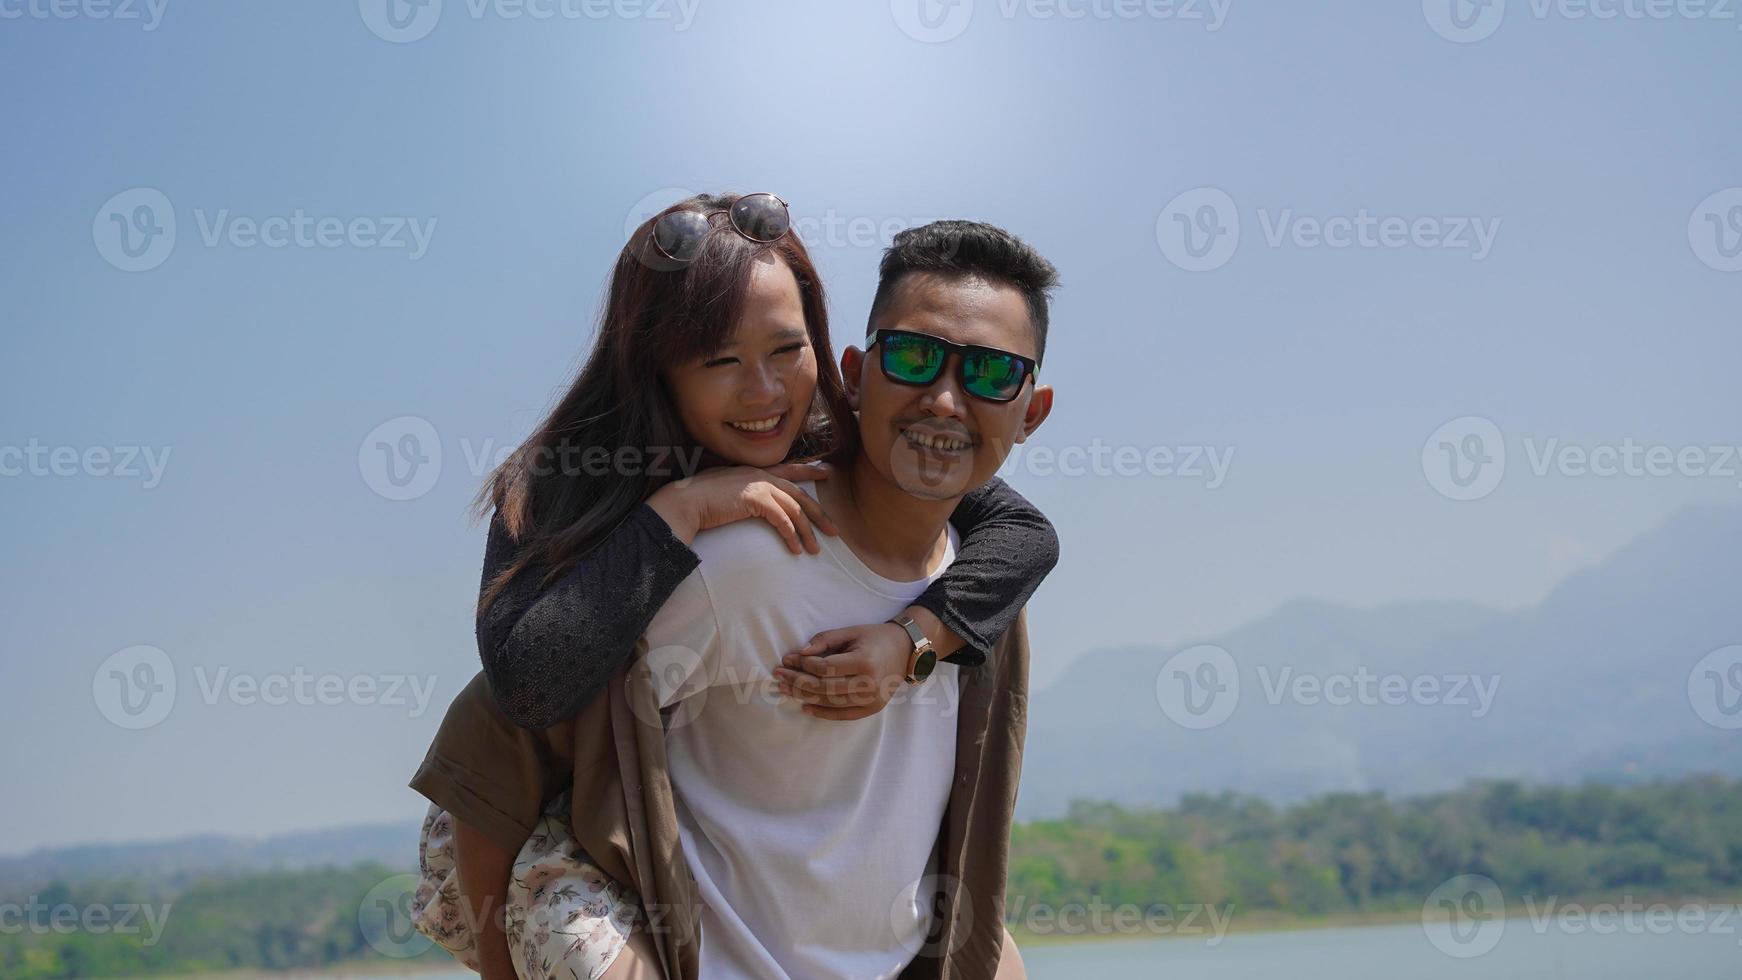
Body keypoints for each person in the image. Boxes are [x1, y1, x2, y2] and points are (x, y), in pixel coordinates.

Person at [409, 196, 1057, 979]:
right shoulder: (569, 481)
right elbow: (510, 706)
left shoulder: (832, 440)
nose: (764, 394)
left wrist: (912, 640)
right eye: (719, 360)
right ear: (655, 368)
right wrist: (678, 511)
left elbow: (1024, 531)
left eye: (787, 351)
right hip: (551, 833)